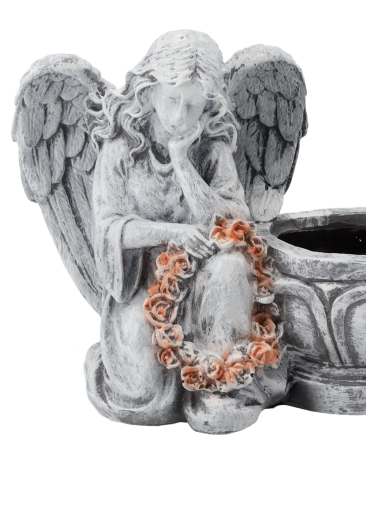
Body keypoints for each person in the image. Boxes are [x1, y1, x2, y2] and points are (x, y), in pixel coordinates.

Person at [84, 31, 285, 431]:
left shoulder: (212, 147)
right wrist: (171, 233)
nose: (179, 116)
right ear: (150, 92)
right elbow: (108, 229)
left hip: (208, 277)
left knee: (232, 267)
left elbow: (234, 222)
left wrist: (182, 162)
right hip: (142, 285)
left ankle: (221, 382)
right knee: (142, 392)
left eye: (192, 106)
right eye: (172, 100)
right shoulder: (120, 149)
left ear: (207, 106)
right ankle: (174, 390)